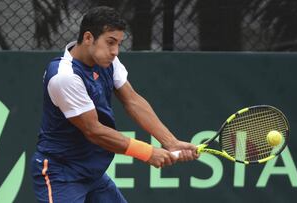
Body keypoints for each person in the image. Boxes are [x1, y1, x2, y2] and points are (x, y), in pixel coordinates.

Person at [31, 6, 199, 203]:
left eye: (118, 43)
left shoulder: (108, 62)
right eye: (110, 42)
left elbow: (133, 100)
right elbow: (94, 130)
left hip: (93, 172)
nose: (115, 51)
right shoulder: (64, 76)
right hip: (61, 173)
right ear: (88, 38)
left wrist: (171, 142)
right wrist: (148, 152)